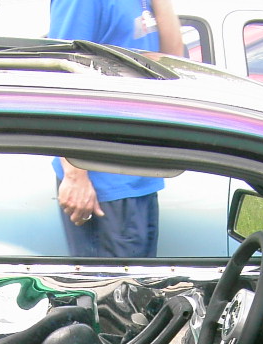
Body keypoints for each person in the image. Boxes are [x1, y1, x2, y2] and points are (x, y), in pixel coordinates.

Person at [49, 0, 183, 258]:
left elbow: (172, 61)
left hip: (141, 175)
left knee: (140, 282)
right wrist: (75, 173)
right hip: (102, 181)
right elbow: (60, 77)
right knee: (113, 284)